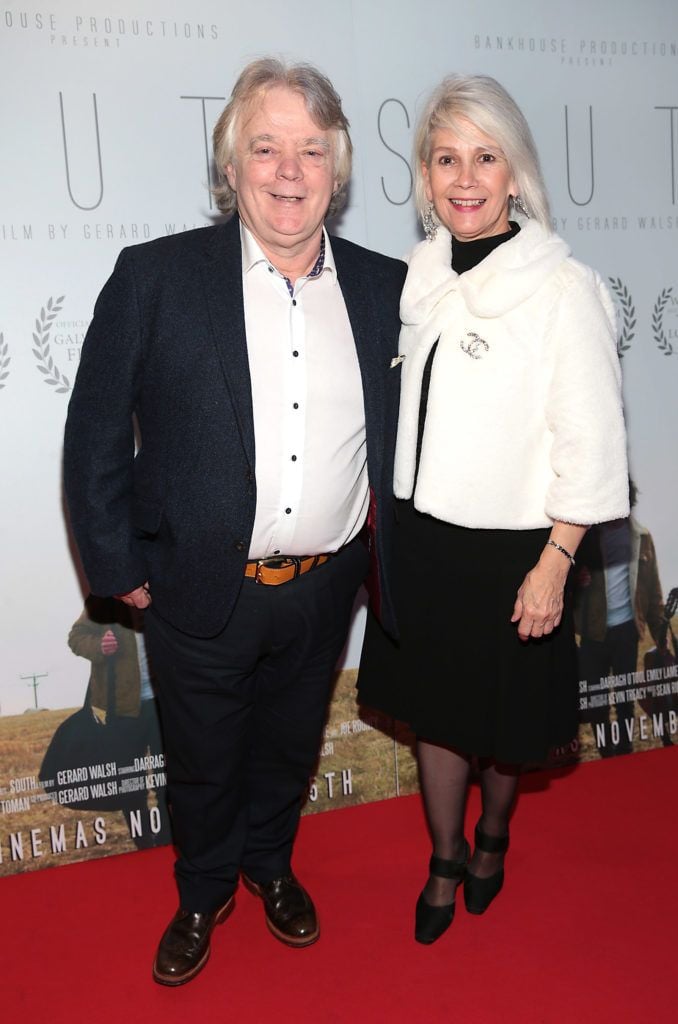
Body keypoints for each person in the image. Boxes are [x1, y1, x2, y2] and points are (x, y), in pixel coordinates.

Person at [64, 58, 405, 985]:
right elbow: (94, 433)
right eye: (266, 147)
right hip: (196, 584)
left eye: (309, 150)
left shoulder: (388, 291)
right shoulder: (156, 277)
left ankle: (270, 866)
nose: (288, 170)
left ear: (335, 170)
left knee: (289, 746)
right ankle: (202, 889)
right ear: (231, 167)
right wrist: (116, 567)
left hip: (327, 584)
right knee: (204, 759)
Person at [357, 73, 629, 944]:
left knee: (504, 727)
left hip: (517, 550)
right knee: (437, 714)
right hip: (422, 540)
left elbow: (591, 445)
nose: (465, 177)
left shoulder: (562, 287)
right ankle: (444, 857)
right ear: (425, 175)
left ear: (515, 173)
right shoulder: (421, 275)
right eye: (446, 158)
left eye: (485, 157)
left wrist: (557, 562)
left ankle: (493, 838)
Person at [68, 596, 172, 847]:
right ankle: (144, 842)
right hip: (121, 710)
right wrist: (99, 646)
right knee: (130, 784)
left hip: (162, 703)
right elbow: (76, 637)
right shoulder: (104, 595)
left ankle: (168, 837)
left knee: (166, 779)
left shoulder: (158, 584)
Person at [574, 481, 669, 755]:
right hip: (593, 633)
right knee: (596, 702)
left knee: (626, 699)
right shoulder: (586, 538)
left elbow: (653, 593)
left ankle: (625, 750)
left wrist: (660, 635)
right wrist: (576, 577)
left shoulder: (642, 537)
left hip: (627, 631)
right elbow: (564, 577)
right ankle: (605, 754)